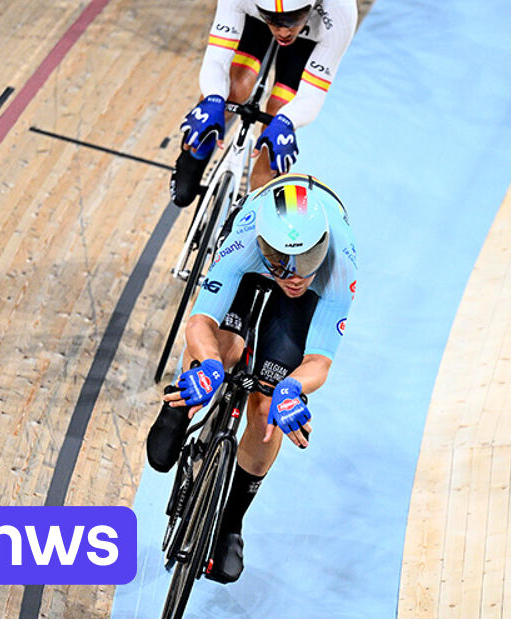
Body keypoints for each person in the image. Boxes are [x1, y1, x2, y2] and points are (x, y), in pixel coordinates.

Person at [147, 173, 357, 583]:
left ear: (322, 248)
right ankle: (179, 408)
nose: (295, 275)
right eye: (284, 263)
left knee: (267, 411)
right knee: (224, 349)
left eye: (306, 261)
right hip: (251, 270)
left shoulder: (338, 263)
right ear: (264, 245)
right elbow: (200, 321)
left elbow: (319, 361)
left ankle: (230, 524)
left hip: (301, 286)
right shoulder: (245, 242)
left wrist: (292, 390)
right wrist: (208, 364)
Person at [171, 0, 357, 207]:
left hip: (312, 31)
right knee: (235, 88)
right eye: (273, 20)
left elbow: (312, 94)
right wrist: (213, 99)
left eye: (292, 19)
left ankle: (253, 211)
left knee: (279, 116)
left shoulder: (340, 12)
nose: (282, 30)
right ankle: (197, 151)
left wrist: (287, 121)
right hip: (253, 19)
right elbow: (216, 60)